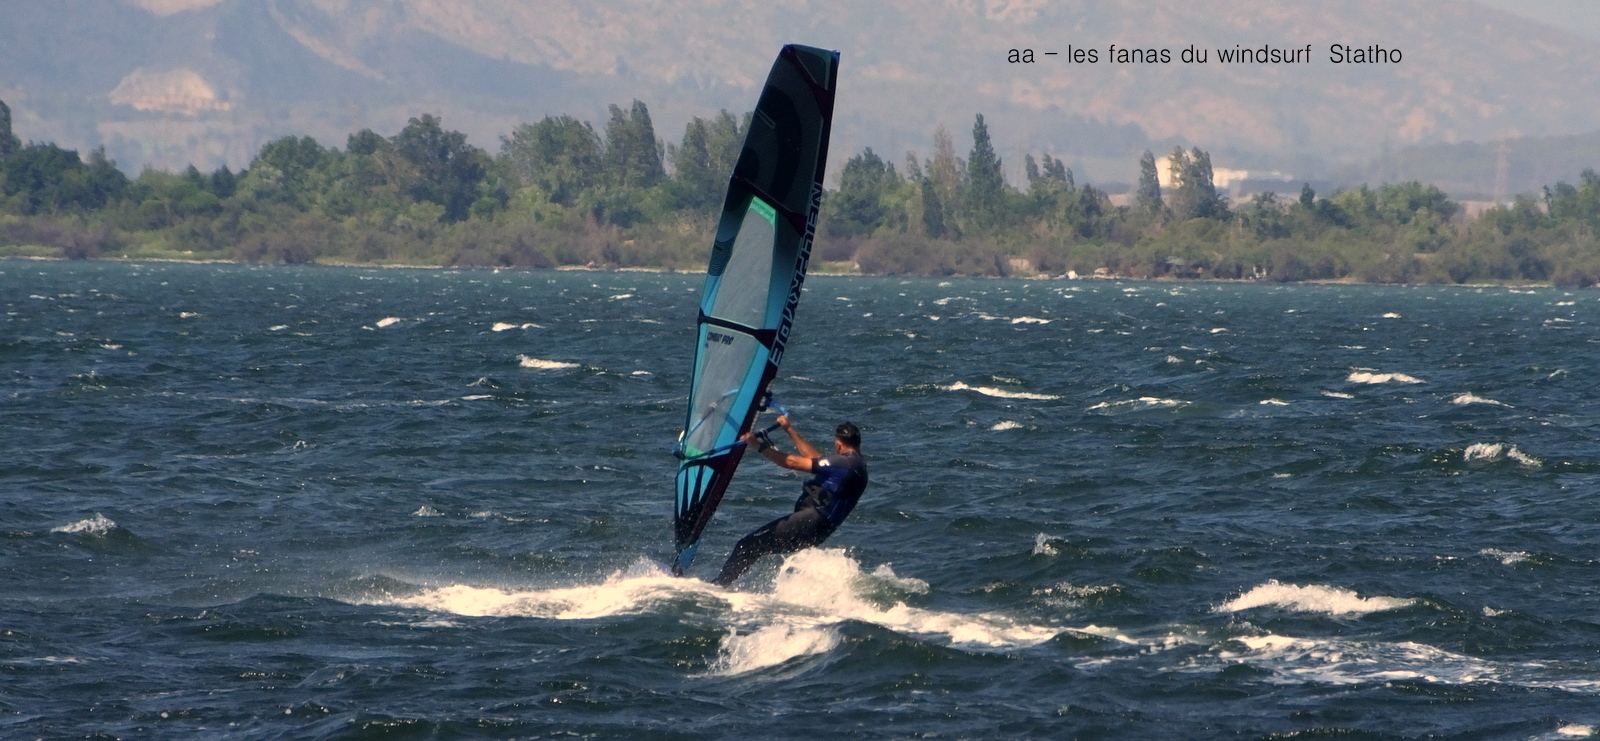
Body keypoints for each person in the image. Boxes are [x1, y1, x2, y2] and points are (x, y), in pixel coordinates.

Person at [711, 416, 869, 586]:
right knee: (754, 548)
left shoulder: (844, 463)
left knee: (746, 546)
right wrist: (789, 429)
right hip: (819, 530)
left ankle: (718, 586)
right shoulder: (855, 465)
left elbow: (792, 462)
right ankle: (723, 584)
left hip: (809, 521)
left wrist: (757, 444)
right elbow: (815, 459)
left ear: (838, 444)